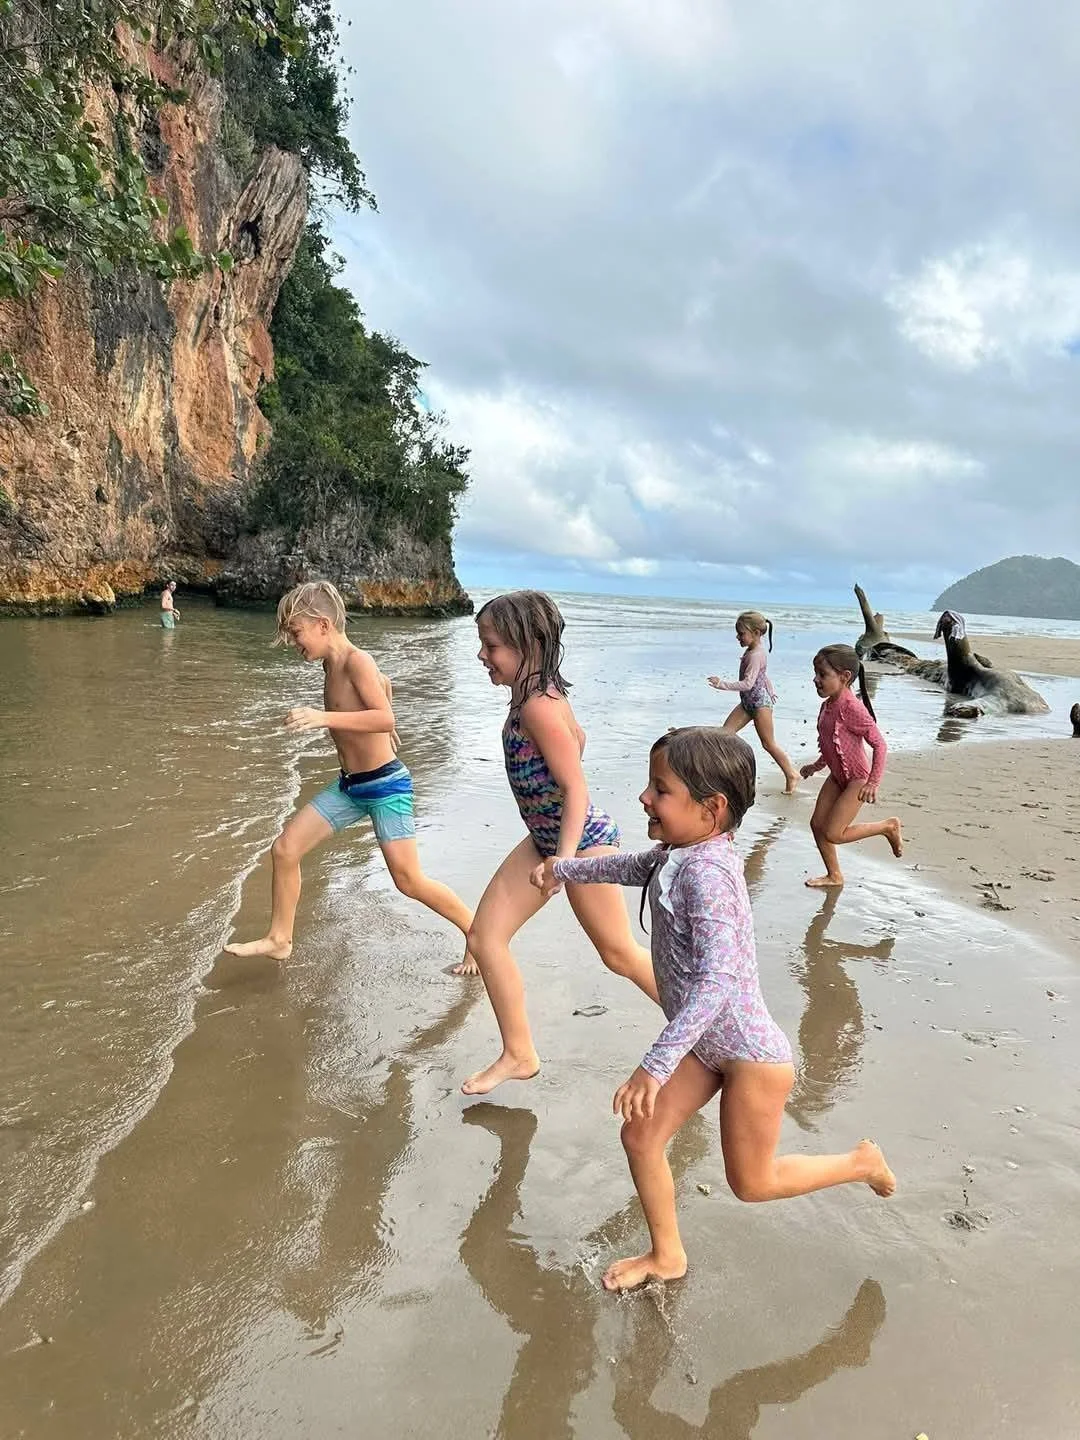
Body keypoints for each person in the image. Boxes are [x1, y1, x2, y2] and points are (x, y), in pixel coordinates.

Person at [534, 726, 896, 1292]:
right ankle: (667, 1254)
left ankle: (860, 1163)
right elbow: (628, 867)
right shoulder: (677, 853)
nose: (644, 799)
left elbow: (717, 981)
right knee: (641, 1136)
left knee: (752, 1183)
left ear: (712, 808)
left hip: (751, 1057)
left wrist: (654, 1065)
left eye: (660, 790)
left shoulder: (709, 875)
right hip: (707, 1046)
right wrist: (563, 869)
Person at [462, 589, 660, 1097]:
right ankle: (519, 1053)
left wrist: (563, 862)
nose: (482, 655)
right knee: (485, 938)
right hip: (546, 838)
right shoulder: (535, 695)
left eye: (491, 646)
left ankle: (703, 1029)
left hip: (579, 844)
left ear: (527, 644)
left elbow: (576, 788)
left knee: (618, 954)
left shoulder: (540, 707)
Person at [224, 580, 478, 972]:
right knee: (285, 849)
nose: (295, 643)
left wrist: (322, 717)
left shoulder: (356, 660)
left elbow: (385, 717)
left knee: (408, 881)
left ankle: (477, 935)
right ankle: (279, 938)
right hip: (350, 787)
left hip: (386, 786)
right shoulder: (331, 662)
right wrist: (384, 693)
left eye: (296, 633)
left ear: (323, 625)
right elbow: (379, 691)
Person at [799, 644, 903, 888]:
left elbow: (880, 745)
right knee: (816, 825)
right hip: (837, 777)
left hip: (856, 780)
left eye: (822, 675)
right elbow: (833, 744)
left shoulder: (852, 708)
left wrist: (873, 782)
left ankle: (887, 826)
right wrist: (816, 766)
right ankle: (834, 875)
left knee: (834, 833)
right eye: (815, 673)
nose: (816, 680)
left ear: (845, 677)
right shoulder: (827, 706)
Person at [707, 610, 799, 793]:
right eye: (737, 633)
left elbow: (748, 683)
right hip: (748, 703)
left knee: (768, 743)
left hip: (759, 705)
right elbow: (763, 675)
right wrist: (771, 691)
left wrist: (721, 684)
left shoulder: (756, 654)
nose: (737, 637)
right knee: (725, 734)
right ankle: (723, 774)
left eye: (741, 634)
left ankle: (791, 774)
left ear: (756, 633)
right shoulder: (752, 651)